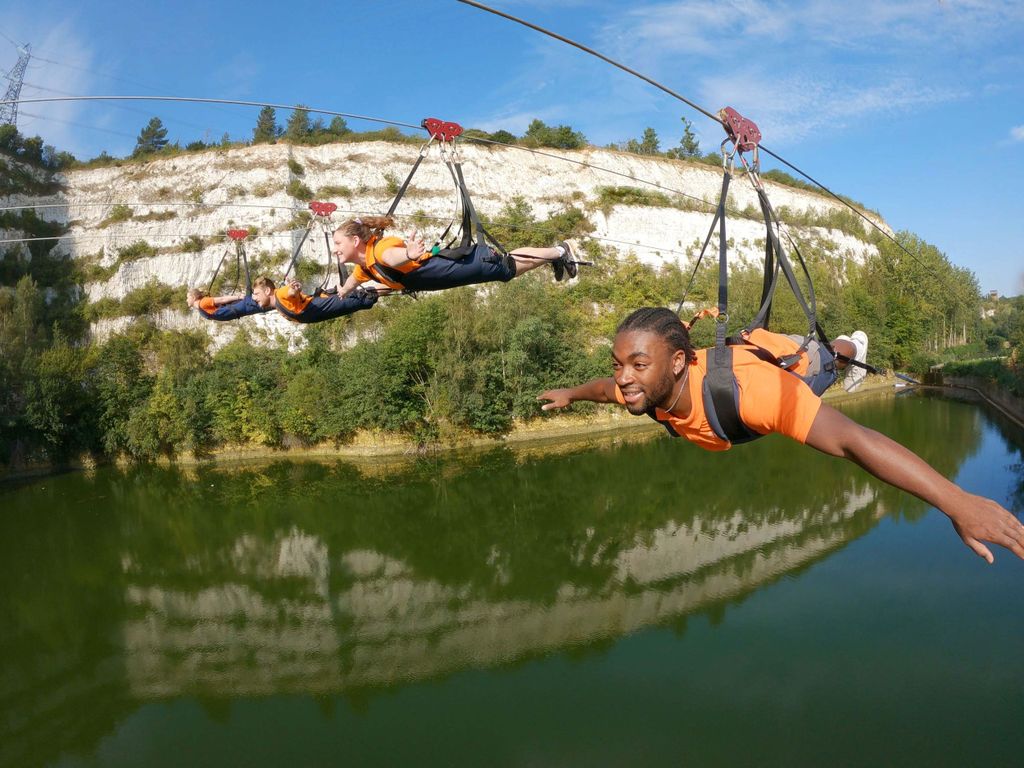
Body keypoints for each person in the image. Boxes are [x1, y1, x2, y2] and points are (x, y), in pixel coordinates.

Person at [538, 306, 1024, 564]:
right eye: (620, 364)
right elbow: (604, 390)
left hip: (783, 367)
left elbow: (854, 441)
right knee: (799, 350)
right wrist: (570, 393)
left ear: (679, 362)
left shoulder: (757, 397)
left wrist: (956, 502)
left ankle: (853, 344)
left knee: (828, 357)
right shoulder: (639, 387)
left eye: (637, 364)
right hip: (753, 351)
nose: (624, 376)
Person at [331, 215, 581, 297]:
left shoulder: (381, 250)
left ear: (355, 241)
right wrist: (342, 291)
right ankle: (556, 255)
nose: (335, 249)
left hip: (468, 264)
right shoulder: (365, 267)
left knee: (508, 267)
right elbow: (353, 281)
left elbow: (394, 257)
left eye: (338, 243)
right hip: (464, 269)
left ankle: (560, 251)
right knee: (508, 269)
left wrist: (408, 253)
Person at [250, 275, 378, 323]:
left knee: (363, 298)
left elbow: (290, 292)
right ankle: (392, 285)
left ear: (267, 291)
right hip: (319, 308)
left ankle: (393, 284)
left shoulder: (279, 294)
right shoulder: (278, 305)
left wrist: (294, 288)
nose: (254, 298)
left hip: (319, 305)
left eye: (256, 293)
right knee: (363, 298)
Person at [186, 288, 271, 321]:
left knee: (269, 302)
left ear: (194, 297)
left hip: (243, 306)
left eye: (188, 297)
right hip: (241, 309)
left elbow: (222, 299)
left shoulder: (203, 303)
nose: (186, 300)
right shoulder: (201, 306)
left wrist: (238, 297)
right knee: (268, 304)